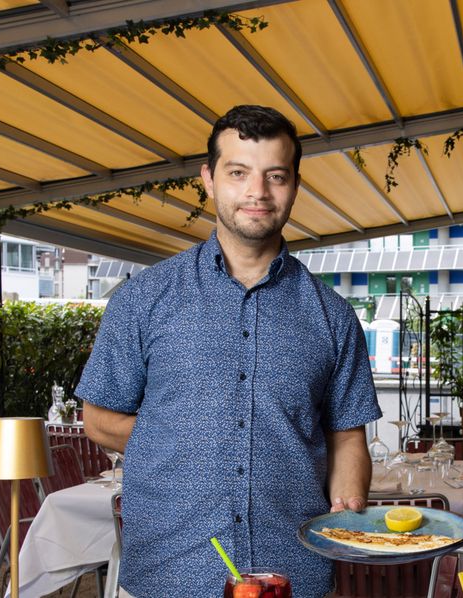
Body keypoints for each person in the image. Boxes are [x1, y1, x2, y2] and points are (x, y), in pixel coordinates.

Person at [77, 105, 380, 598]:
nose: (257, 193)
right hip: (167, 572)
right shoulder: (143, 297)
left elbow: (347, 437)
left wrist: (346, 508)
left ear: (295, 186)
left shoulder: (333, 315)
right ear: (209, 180)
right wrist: (193, 441)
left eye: (275, 176)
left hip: (294, 574)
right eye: (238, 173)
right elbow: (98, 417)